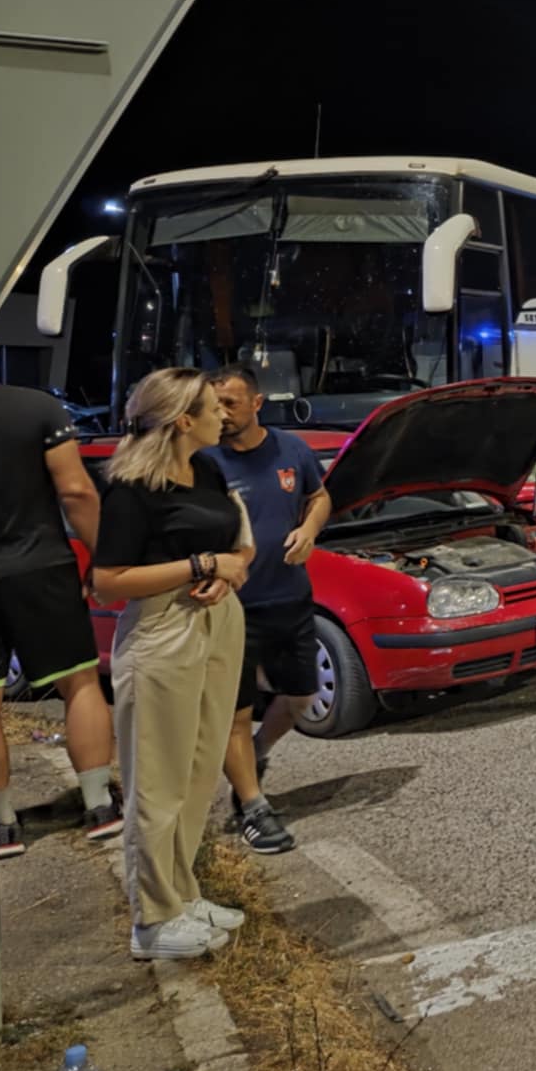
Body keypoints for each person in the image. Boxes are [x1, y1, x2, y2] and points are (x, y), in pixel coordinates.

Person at [92, 369, 255, 960]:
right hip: (162, 631)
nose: (224, 415)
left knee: (198, 768)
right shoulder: (132, 488)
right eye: (213, 407)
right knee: (157, 780)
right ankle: (152, 920)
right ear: (183, 420)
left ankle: (182, 894)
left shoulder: (207, 470)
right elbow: (108, 581)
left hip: (217, 621)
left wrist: (228, 570)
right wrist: (201, 566)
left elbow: (239, 543)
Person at [0, 336, 119, 859]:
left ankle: (0, 825)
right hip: (41, 567)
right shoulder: (37, 408)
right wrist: (103, 556)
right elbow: (76, 491)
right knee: (79, 683)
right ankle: (99, 806)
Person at [208, 366, 330, 856]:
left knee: (301, 695)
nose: (221, 413)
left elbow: (319, 496)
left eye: (231, 403)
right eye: (214, 404)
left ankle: (255, 755)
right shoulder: (202, 459)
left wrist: (310, 530)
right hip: (232, 610)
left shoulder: (292, 450)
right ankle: (253, 806)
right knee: (234, 714)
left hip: (289, 598)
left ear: (257, 403)